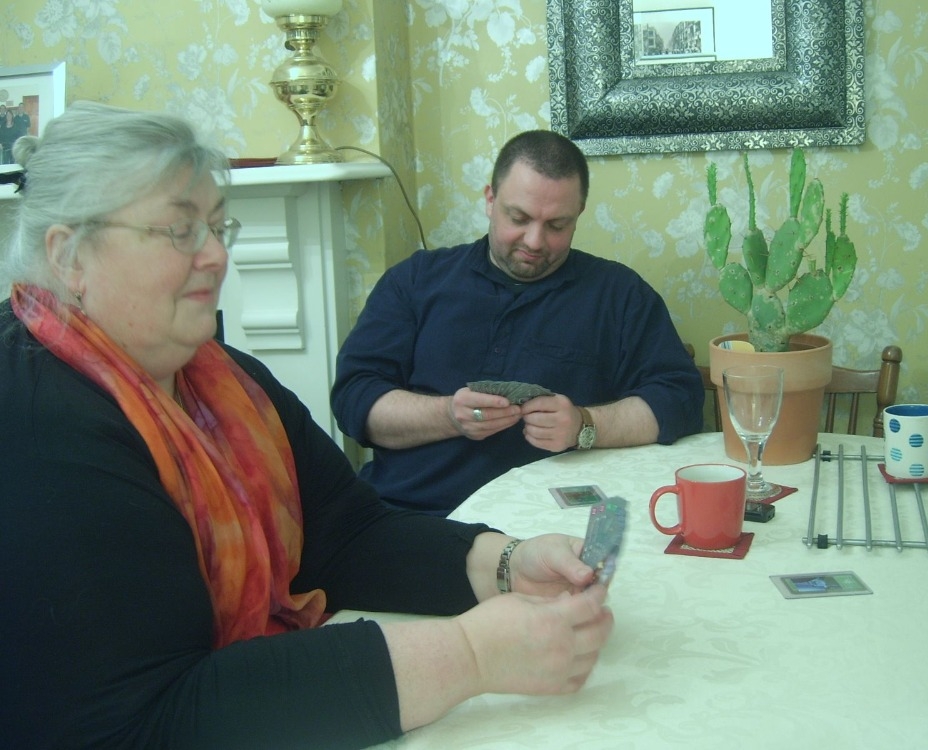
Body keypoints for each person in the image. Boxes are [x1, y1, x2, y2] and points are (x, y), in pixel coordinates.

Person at [0, 102, 614, 749]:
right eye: (180, 231)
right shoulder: (34, 423)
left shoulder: (223, 377)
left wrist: (508, 563)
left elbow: (346, 534)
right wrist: (469, 655)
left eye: (217, 226)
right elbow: (151, 716)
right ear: (69, 257)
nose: (216, 255)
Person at [332, 130, 704, 515]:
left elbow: (681, 400)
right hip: (413, 514)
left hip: (554, 523)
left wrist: (585, 425)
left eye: (557, 225)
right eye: (519, 218)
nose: (535, 241)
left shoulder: (620, 295)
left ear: (578, 215)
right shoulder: (415, 280)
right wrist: (448, 416)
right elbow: (354, 399)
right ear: (490, 199)